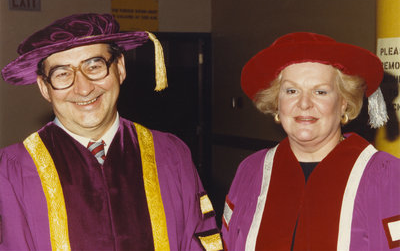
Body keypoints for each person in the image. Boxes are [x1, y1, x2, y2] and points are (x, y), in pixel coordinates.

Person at [0, 13, 222, 251]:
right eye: (63, 73)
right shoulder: (12, 172)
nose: (84, 88)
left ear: (120, 68)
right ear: (44, 87)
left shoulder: (170, 154)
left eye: (94, 66)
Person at [221, 32, 400, 250]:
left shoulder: (384, 177)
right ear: (277, 101)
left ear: (344, 102)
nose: (304, 104)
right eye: (291, 91)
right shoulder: (252, 171)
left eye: (320, 92)